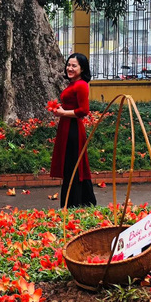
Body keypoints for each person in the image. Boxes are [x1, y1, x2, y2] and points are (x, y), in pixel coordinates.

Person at [50, 52, 97, 208]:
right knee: (70, 166)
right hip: (67, 127)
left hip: (74, 130)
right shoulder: (72, 84)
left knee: (74, 166)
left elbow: (84, 110)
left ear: (82, 68)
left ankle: (75, 203)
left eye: (74, 66)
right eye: (68, 65)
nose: (69, 68)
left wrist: (63, 113)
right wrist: (60, 109)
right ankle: (77, 203)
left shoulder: (81, 85)